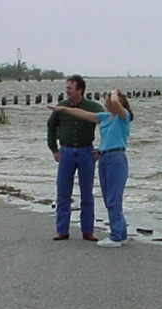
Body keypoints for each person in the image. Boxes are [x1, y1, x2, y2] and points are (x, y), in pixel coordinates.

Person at [47, 89, 133, 248]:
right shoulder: (105, 117)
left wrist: (114, 92)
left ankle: (115, 237)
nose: (106, 103)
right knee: (109, 199)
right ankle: (121, 234)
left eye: (107, 100)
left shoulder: (124, 116)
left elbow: (115, 103)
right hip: (104, 158)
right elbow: (82, 114)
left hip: (117, 159)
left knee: (114, 199)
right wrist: (63, 109)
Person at [47, 75, 104, 242]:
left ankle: (88, 231)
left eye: (70, 88)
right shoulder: (61, 107)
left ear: (80, 90)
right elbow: (51, 127)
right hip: (66, 152)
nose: (67, 91)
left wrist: (101, 149)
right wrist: (54, 149)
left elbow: (108, 126)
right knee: (63, 192)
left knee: (87, 193)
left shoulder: (93, 107)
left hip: (86, 152)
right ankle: (62, 230)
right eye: (66, 88)